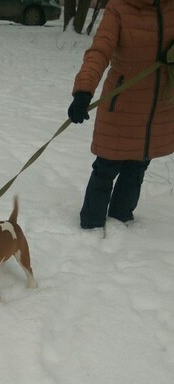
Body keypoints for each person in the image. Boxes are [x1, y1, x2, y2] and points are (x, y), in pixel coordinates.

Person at [68, 0, 174, 230]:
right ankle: (92, 226)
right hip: (121, 105)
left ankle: (121, 223)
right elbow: (100, 49)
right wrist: (84, 90)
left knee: (137, 166)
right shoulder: (120, 7)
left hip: (157, 110)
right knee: (106, 166)